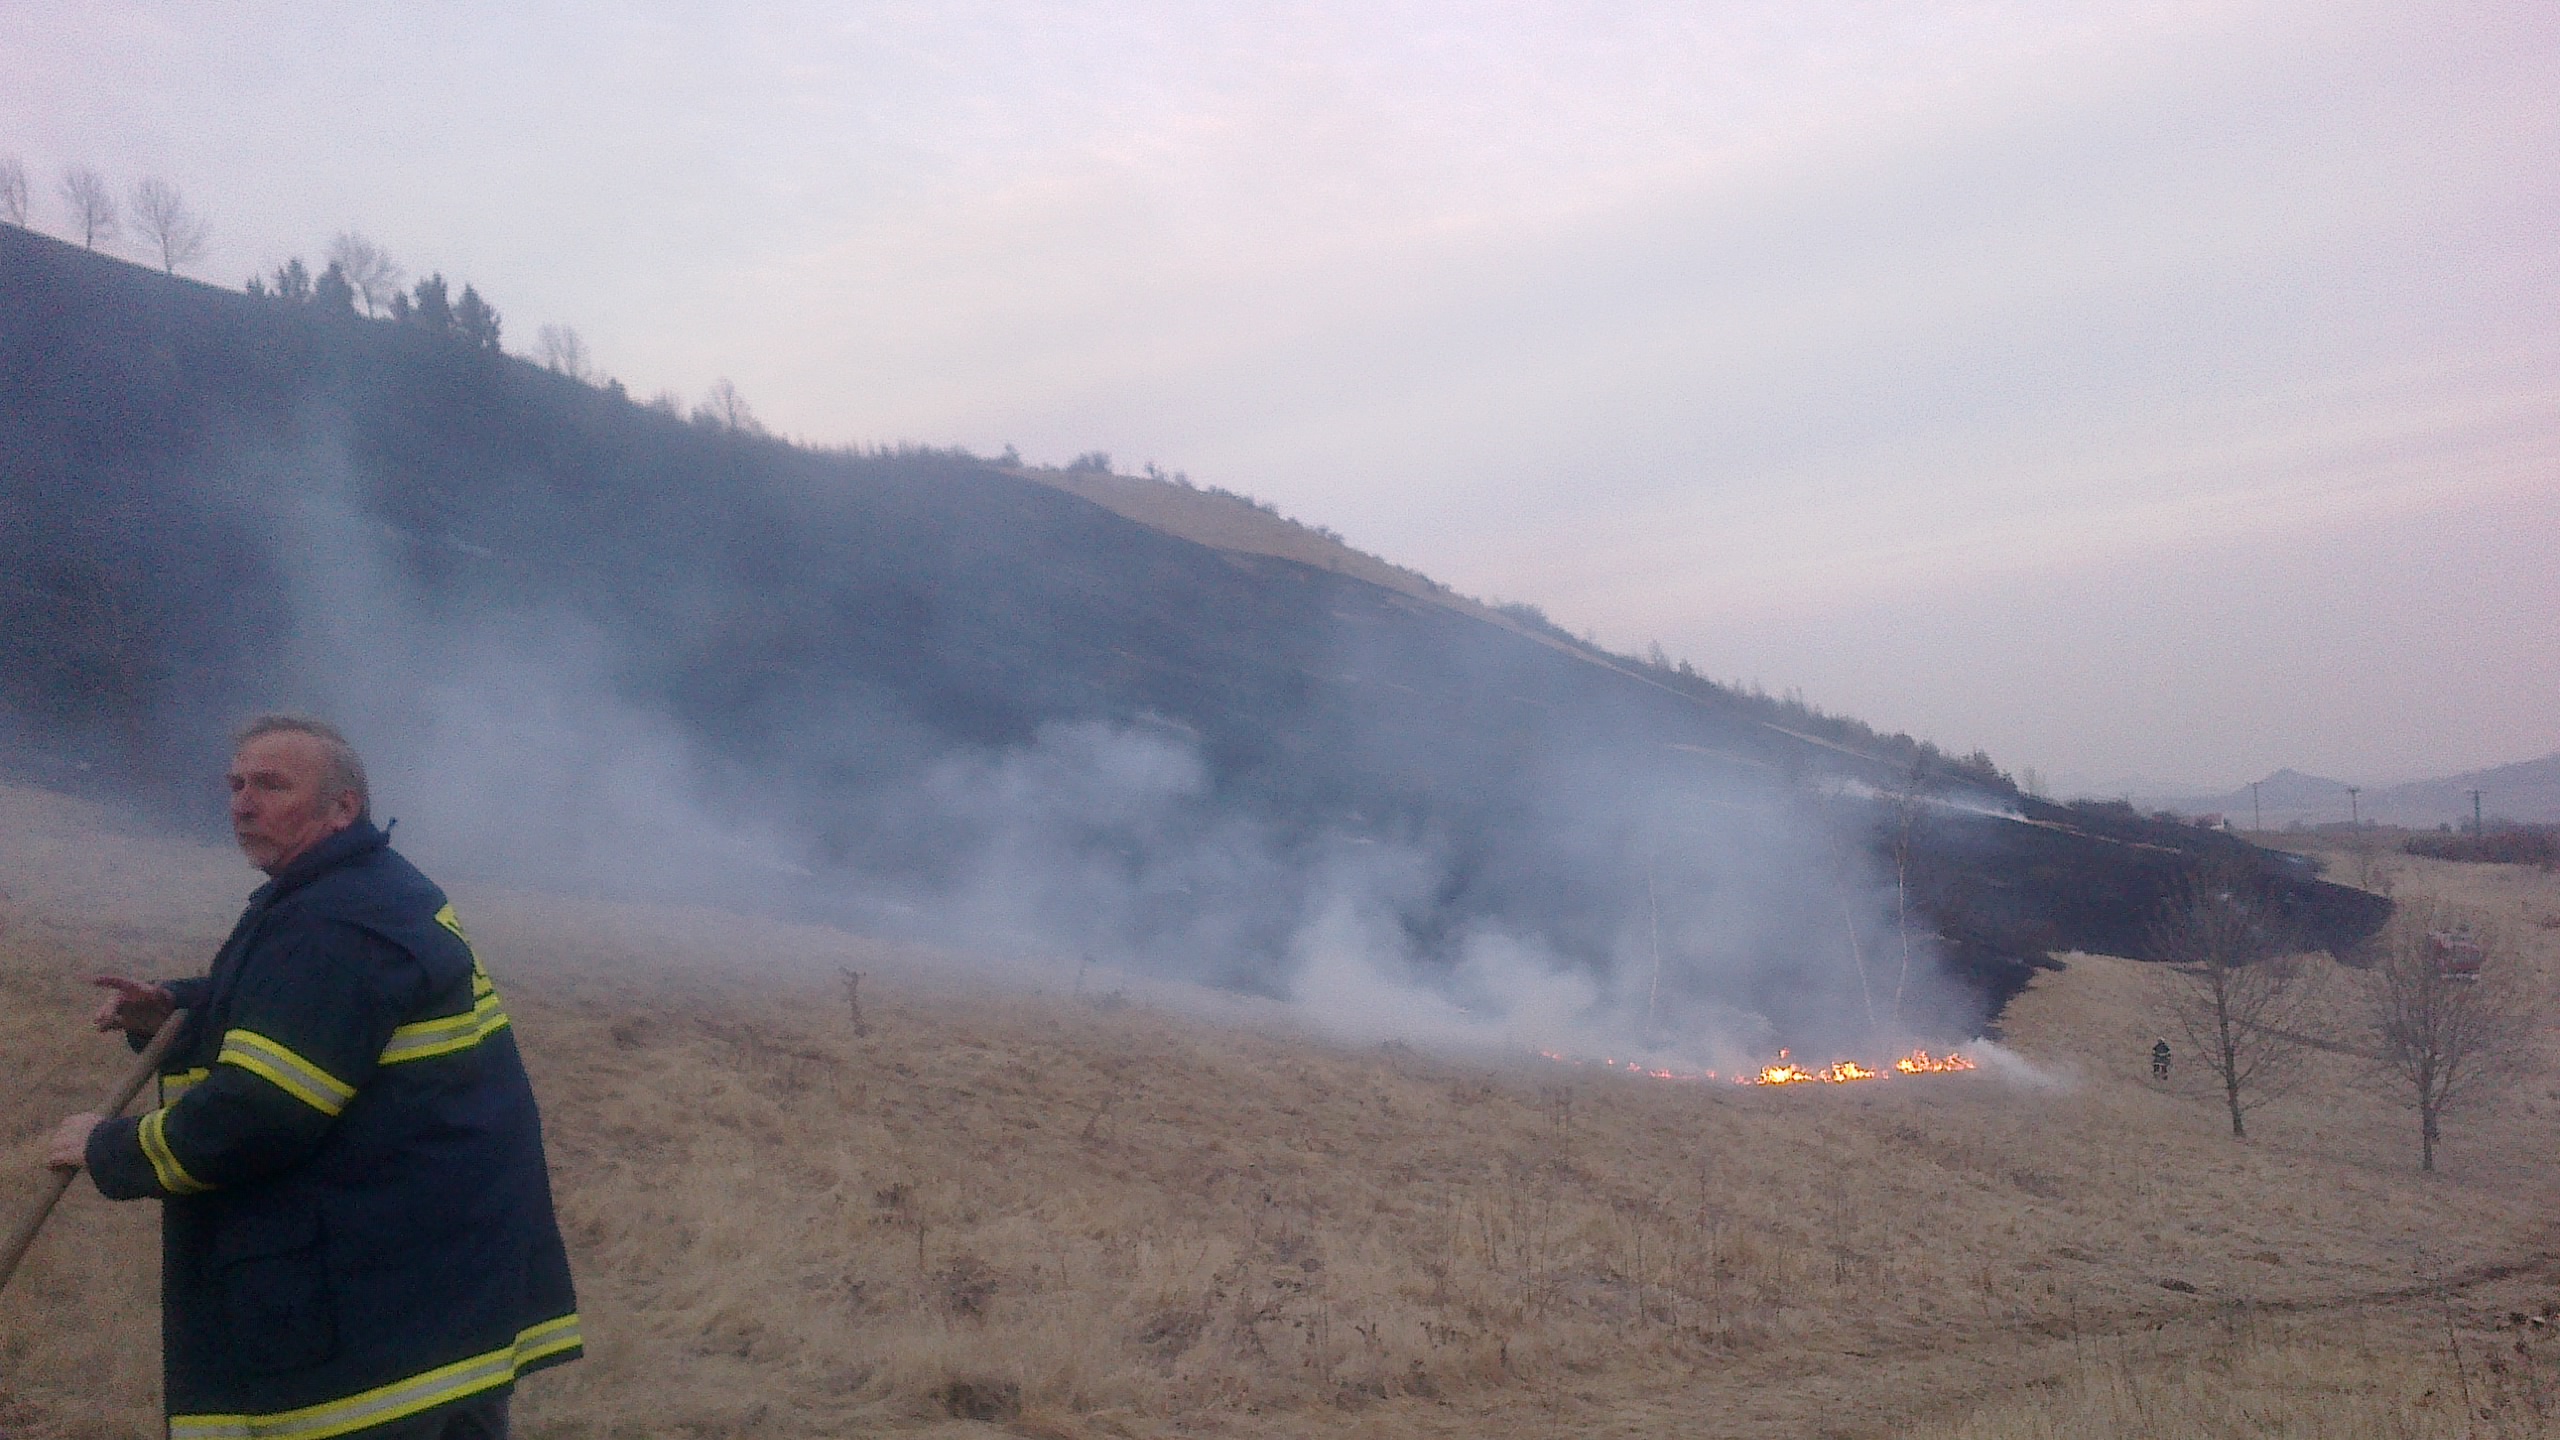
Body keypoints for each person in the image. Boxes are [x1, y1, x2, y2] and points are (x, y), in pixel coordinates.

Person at [44, 717, 580, 1439]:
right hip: (436, 1284)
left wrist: (109, 1146)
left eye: (270, 784)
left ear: (342, 808)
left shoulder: (333, 923)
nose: (240, 802)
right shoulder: (359, 891)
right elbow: (314, 1017)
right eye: (234, 783)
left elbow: (256, 1114)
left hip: (379, 1319)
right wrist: (173, 1009)